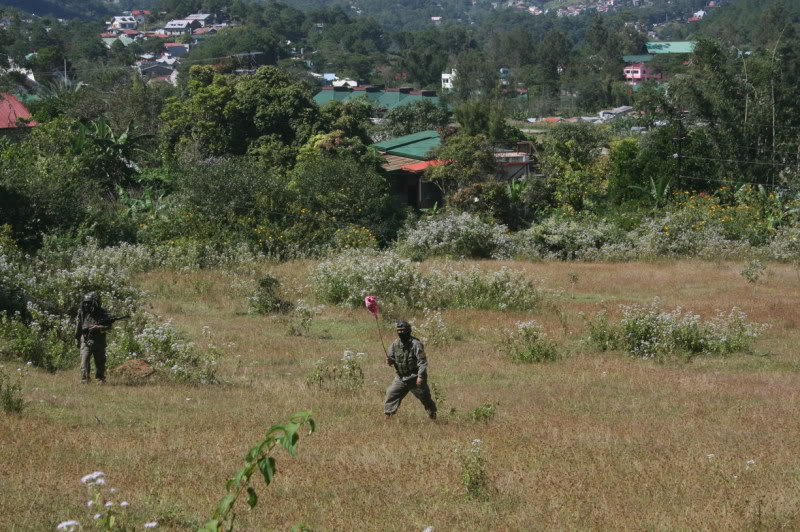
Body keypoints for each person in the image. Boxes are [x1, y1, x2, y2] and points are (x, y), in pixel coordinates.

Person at [384, 320, 437, 420]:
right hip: (401, 377)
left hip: (415, 377)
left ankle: (432, 415)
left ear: (408, 331)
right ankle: (388, 417)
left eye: (403, 330)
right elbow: (391, 360)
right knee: (391, 393)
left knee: (424, 397)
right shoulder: (395, 344)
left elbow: (422, 362)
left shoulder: (416, 344)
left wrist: (420, 377)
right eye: (398, 331)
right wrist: (389, 361)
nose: (400, 333)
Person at [74, 293, 111, 384]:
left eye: (89, 303)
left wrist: (98, 327)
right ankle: (84, 379)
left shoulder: (102, 313)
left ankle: (100, 379)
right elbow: (78, 326)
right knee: (84, 361)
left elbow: (109, 327)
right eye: (85, 303)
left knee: (100, 361)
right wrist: (77, 338)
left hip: (99, 340)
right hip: (85, 339)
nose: (86, 305)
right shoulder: (82, 312)